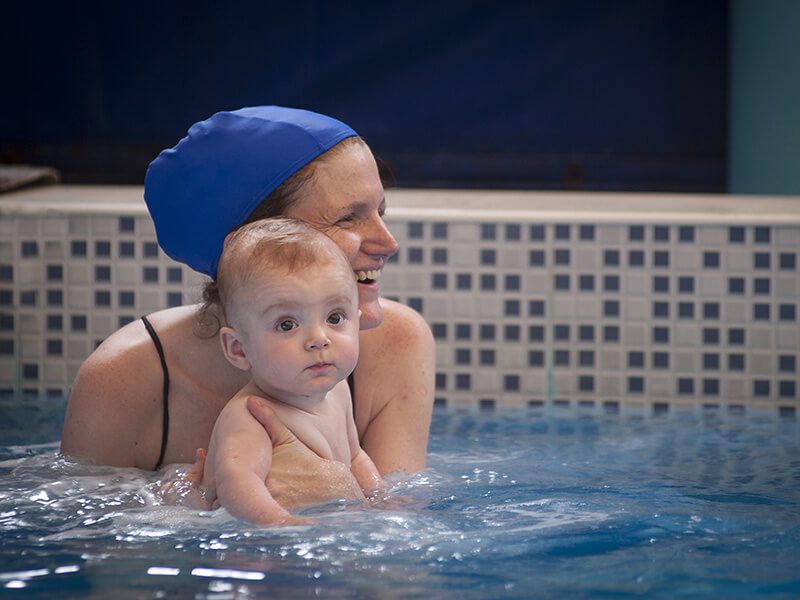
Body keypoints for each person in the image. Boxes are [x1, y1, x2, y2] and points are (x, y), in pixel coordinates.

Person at [60, 106, 435, 508]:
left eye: (380, 212)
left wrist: (335, 490)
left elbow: (396, 543)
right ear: (250, 243)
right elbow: (91, 545)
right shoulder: (125, 377)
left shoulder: (394, 342)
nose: (388, 243)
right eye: (347, 219)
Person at [200, 218, 385, 524]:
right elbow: (237, 484)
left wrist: (382, 500)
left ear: (356, 317)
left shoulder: (337, 391)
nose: (318, 339)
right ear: (238, 349)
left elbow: (355, 457)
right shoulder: (250, 415)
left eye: (335, 317)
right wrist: (286, 525)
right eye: (287, 324)